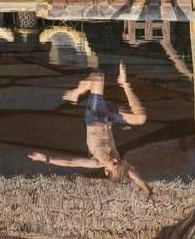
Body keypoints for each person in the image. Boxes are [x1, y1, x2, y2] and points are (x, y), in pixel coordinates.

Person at [27, 63, 154, 199]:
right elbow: (135, 177)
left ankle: (76, 92)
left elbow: (71, 162)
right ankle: (124, 83)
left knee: (98, 76)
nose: (116, 160)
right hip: (109, 119)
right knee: (141, 118)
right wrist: (149, 192)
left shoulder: (95, 162)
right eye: (119, 161)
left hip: (94, 115)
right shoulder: (120, 163)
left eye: (114, 164)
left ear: (106, 171)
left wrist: (45, 159)